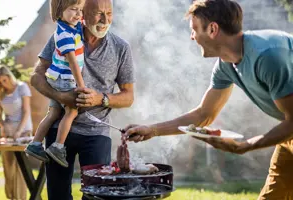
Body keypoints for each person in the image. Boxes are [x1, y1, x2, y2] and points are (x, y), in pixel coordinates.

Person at [124, 0, 293, 199]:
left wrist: (246, 145)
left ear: (212, 29)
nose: (192, 36)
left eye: (194, 29)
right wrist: (152, 130)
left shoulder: (267, 56)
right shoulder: (226, 66)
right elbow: (204, 114)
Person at [31, 0, 135, 198]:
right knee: (58, 195)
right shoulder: (62, 36)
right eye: (98, 14)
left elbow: (128, 97)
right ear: (83, 14)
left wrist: (100, 99)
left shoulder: (121, 48)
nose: (105, 20)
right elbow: (36, 77)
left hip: (97, 134)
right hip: (58, 132)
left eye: (109, 13)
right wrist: (61, 96)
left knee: (96, 196)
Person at [26, 0, 86, 167]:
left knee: (53, 113)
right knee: (71, 111)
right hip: (65, 79)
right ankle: (58, 146)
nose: (79, 14)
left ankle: (35, 144)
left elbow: (81, 23)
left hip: (55, 78)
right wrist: (81, 86)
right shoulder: (64, 35)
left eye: (80, 10)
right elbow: (73, 63)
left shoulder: (69, 27)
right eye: (74, 9)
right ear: (60, 11)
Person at [0, 65, 32, 200]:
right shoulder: (0, 93)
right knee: (8, 167)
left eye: (5, 80)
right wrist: (2, 125)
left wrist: (19, 131)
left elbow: (26, 111)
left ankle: (20, 198)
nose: (3, 83)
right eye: (0, 81)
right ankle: (11, 197)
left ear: (9, 76)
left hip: (23, 132)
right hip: (8, 134)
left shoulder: (22, 87)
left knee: (20, 168)